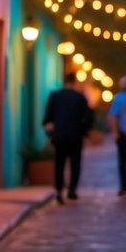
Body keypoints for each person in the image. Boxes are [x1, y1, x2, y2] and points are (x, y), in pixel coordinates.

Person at [42, 71, 92, 204]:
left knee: (59, 163)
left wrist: (50, 132)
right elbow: (87, 117)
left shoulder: (55, 96)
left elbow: (48, 117)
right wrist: (85, 132)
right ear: (74, 82)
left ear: (63, 81)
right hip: (76, 136)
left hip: (59, 136)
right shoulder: (80, 97)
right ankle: (72, 189)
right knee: (75, 164)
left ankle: (59, 190)